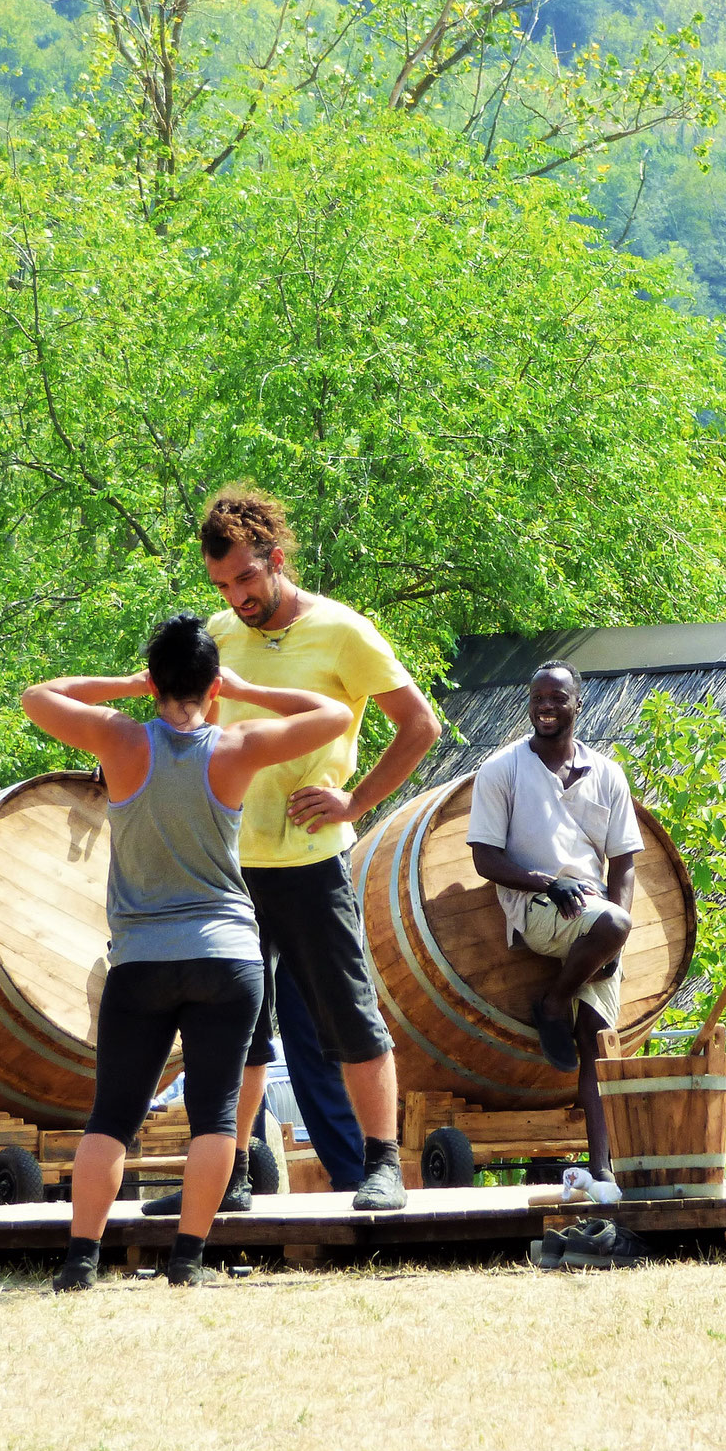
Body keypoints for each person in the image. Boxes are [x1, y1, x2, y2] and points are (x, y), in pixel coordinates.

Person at [23, 615, 351, 1289]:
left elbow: (38, 696)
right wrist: (247, 687)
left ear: (154, 680)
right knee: (216, 1116)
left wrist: (127, 684)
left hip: (141, 958)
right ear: (209, 682)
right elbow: (334, 713)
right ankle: (187, 1259)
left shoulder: (117, 740)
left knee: (112, 1116)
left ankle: (81, 1262)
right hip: (228, 958)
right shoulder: (235, 746)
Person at [168, 486, 440, 1214]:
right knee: (233, 1025)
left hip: (313, 864)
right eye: (222, 585)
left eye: (246, 579)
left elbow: (420, 725)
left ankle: (381, 1166)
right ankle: (226, 1178)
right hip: (230, 863)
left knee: (348, 1016)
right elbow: (186, 728)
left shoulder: (343, 631)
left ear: (276, 560)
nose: (236, 596)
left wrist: (356, 801)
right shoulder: (218, 636)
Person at [467, 661, 643, 1177]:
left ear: (576, 704)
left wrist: (618, 937)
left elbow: (625, 861)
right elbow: (484, 858)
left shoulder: (606, 772)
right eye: (538, 697)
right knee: (609, 925)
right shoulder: (503, 769)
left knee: (595, 1042)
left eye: (557, 698)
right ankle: (553, 1000)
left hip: (596, 919)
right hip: (537, 906)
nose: (546, 706)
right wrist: (549, 881)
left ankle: (602, 1172)